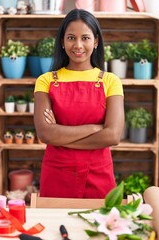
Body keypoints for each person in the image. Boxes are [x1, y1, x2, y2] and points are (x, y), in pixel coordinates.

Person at [34, 9, 124, 199]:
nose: (78, 45)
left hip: (98, 174)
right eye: (71, 38)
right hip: (57, 174)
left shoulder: (110, 81)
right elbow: (45, 133)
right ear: (62, 41)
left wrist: (61, 135)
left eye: (85, 38)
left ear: (96, 41)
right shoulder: (46, 80)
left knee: (100, 227)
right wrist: (95, 128)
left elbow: (113, 135)